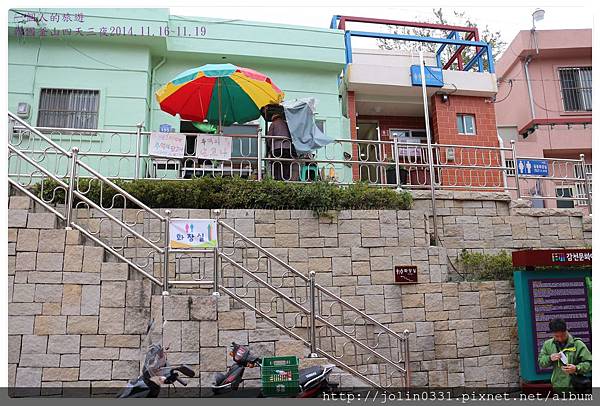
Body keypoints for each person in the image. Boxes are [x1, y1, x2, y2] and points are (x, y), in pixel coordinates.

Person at [538, 318, 592, 393]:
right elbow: (541, 362)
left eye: (563, 335)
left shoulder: (578, 344)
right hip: (558, 388)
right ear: (552, 334)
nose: (560, 339)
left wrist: (576, 368)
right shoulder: (548, 345)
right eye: (557, 336)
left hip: (576, 388)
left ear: (566, 330)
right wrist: (549, 358)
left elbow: (590, 363)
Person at [267, 113, 295, 181]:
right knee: (286, 164)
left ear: (273, 119)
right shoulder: (286, 124)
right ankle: (286, 179)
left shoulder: (273, 124)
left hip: (276, 148)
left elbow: (269, 137)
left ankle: (277, 180)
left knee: (276, 164)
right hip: (287, 148)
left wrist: (269, 146)